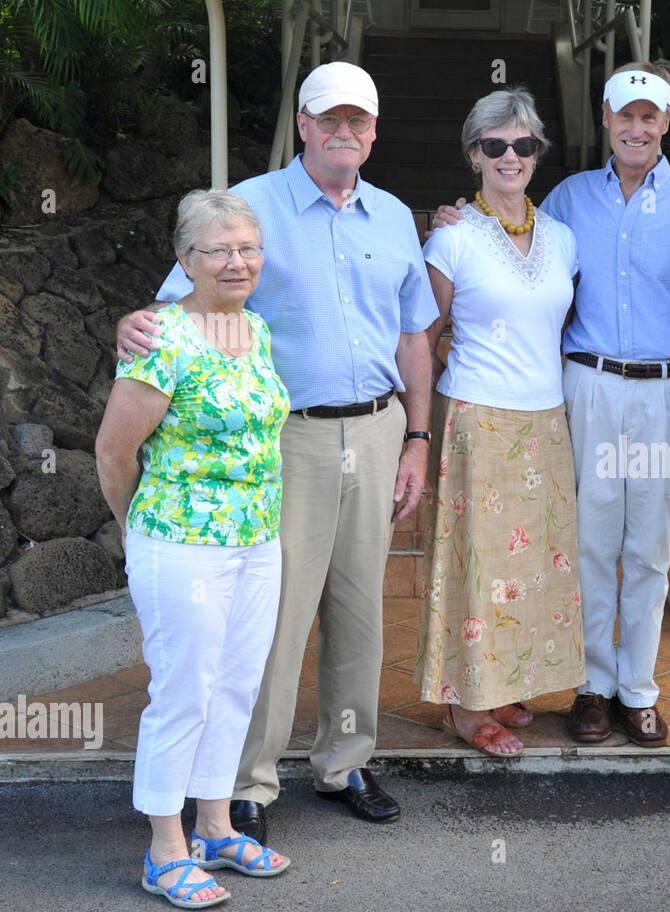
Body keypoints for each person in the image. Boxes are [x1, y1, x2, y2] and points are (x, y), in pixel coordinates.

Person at [116, 62, 436, 840]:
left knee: (362, 609)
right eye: (331, 119)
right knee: (276, 617)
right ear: (303, 123)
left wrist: (418, 437)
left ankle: (344, 761)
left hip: (378, 424)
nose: (345, 133)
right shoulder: (251, 207)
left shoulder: (393, 215)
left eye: (359, 121)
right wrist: (130, 324)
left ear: (374, 130)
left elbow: (413, 336)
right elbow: (174, 305)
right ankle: (245, 786)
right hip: (282, 436)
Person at [433, 64, 670, 747]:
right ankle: (593, 688)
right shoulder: (567, 200)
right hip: (589, 386)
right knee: (592, 545)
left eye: (648, 117)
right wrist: (454, 213)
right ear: (605, 116)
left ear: (664, 124)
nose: (636, 127)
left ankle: (639, 690)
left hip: (668, 389)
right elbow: (503, 235)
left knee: (650, 548)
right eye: (625, 115)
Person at [97, 189, 292, 908]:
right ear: (186, 261)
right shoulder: (162, 337)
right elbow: (114, 451)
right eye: (219, 249)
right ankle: (164, 848)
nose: (237, 261)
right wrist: (136, 525)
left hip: (255, 540)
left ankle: (213, 826)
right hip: (180, 543)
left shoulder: (259, 330)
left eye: (248, 248)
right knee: (182, 691)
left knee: (235, 683)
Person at [415, 88, 584, 756]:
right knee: (478, 566)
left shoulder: (564, 238)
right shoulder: (452, 237)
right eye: (494, 145)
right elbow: (423, 337)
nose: (509, 156)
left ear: (538, 153)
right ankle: (465, 706)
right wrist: (418, 431)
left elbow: (554, 328)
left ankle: (507, 683)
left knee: (535, 567)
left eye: (522, 144)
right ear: (473, 154)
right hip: (478, 420)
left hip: (545, 420)